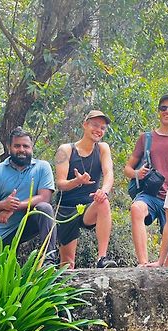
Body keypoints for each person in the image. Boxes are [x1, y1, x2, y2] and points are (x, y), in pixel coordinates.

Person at [124, 94, 168, 266]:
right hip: (151, 194)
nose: (167, 111)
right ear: (158, 112)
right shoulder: (146, 138)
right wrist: (137, 173)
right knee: (136, 209)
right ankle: (143, 264)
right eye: (163, 108)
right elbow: (127, 168)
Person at [0, 127, 57, 263]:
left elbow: (45, 197)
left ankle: (48, 262)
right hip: (5, 231)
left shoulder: (42, 167)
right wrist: (3, 204)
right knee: (1, 277)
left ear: (32, 148)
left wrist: (13, 207)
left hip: (29, 222)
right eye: (17, 146)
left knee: (45, 208)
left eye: (26, 146)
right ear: (9, 147)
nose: (21, 149)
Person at [54, 110, 117, 269]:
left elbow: (109, 173)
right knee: (67, 264)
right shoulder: (65, 150)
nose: (99, 130)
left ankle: (102, 258)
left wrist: (104, 191)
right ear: (85, 125)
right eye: (95, 125)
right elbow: (60, 183)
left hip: (89, 206)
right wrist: (77, 181)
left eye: (102, 128)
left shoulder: (103, 148)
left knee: (104, 201)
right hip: (66, 209)